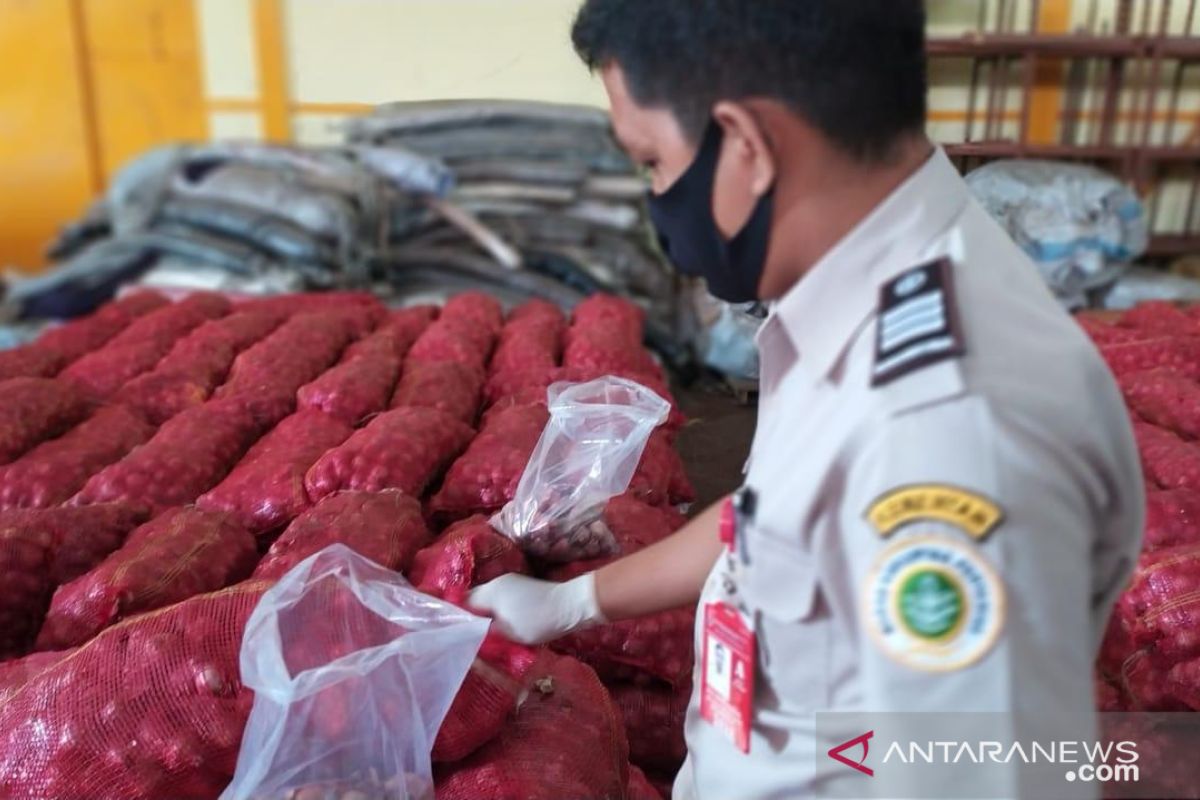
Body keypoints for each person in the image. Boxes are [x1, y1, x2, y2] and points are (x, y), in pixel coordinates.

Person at [469, 2, 1145, 798]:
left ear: (748, 148)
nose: (656, 193)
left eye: (652, 161)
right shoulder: (855, 300)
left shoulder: (940, 425)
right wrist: (566, 604)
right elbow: (769, 525)